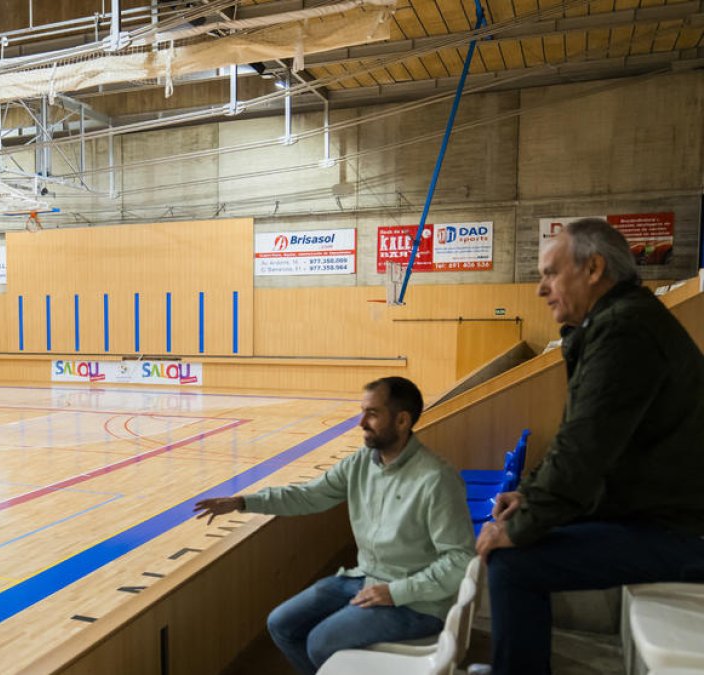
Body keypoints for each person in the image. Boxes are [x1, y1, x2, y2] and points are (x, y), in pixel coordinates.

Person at [475, 218, 704, 675]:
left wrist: (520, 526)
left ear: (594, 268)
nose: (541, 289)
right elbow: (576, 439)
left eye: (550, 273)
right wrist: (530, 494)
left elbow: (584, 451)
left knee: (513, 564)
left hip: (679, 529)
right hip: (662, 515)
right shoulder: (620, 322)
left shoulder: (625, 331)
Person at [194, 376, 474, 674]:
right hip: (364, 577)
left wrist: (397, 591)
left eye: (373, 414)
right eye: (362, 411)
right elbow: (309, 496)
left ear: (403, 420)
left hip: (417, 603)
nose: (361, 422)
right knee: (282, 624)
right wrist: (244, 502)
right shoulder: (361, 463)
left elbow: (460, 559)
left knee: (320, 643)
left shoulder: (437, 480)